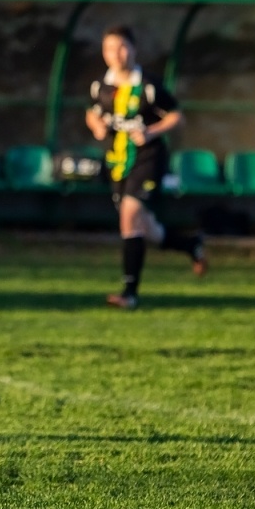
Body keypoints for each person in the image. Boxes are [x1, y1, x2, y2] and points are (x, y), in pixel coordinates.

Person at [84, 25, 206, 309]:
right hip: (118, 162)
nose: (116, 54)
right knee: (146, 229)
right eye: (109, 49)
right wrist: (96, 126)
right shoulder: (101, 86)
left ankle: (130, 292)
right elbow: (92, 113)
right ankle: (191, 245)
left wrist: (152, 131)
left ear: (133, 49)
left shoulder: (149, 86)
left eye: (121, 47)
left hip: (149, 159)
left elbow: (177, 117)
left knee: (129, 215)